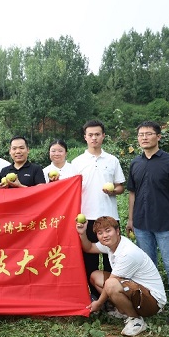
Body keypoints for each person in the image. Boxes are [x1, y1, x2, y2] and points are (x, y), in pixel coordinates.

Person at [126, 120, 169, 325]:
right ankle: (152, 304)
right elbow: (132, 194)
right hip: (141, 225)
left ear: (158, 137)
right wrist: (130, 219)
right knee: (147, 267)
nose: (144, 137)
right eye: (140, 134)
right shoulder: (135, 163)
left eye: (148, 134)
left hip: (166, 225)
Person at [76, 216, 167, 336]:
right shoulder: (111, 245)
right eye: (100, 233)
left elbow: (111, 283)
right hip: (136, 290)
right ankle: (123, 310)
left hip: (153, 301)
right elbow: (89, 248)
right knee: (95, 276)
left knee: (111, 284)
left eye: (108, 231)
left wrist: (98, 303)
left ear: (117, 231)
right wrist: (82, 233)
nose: (104, 235)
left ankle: (136, 320)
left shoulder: (127, 252)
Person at [71, 120, 126, 300]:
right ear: (85, 137)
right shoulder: (77, 162)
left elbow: (120, 186)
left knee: (113, 260)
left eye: (97, 134)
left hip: (109, 218)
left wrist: (113, 191)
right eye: (90, 135)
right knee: (89, 260)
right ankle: (95, 296)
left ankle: (113, 297)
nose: (94, 138)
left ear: (103, 136)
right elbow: (70, 190)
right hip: (86, 218)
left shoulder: (112, 160)